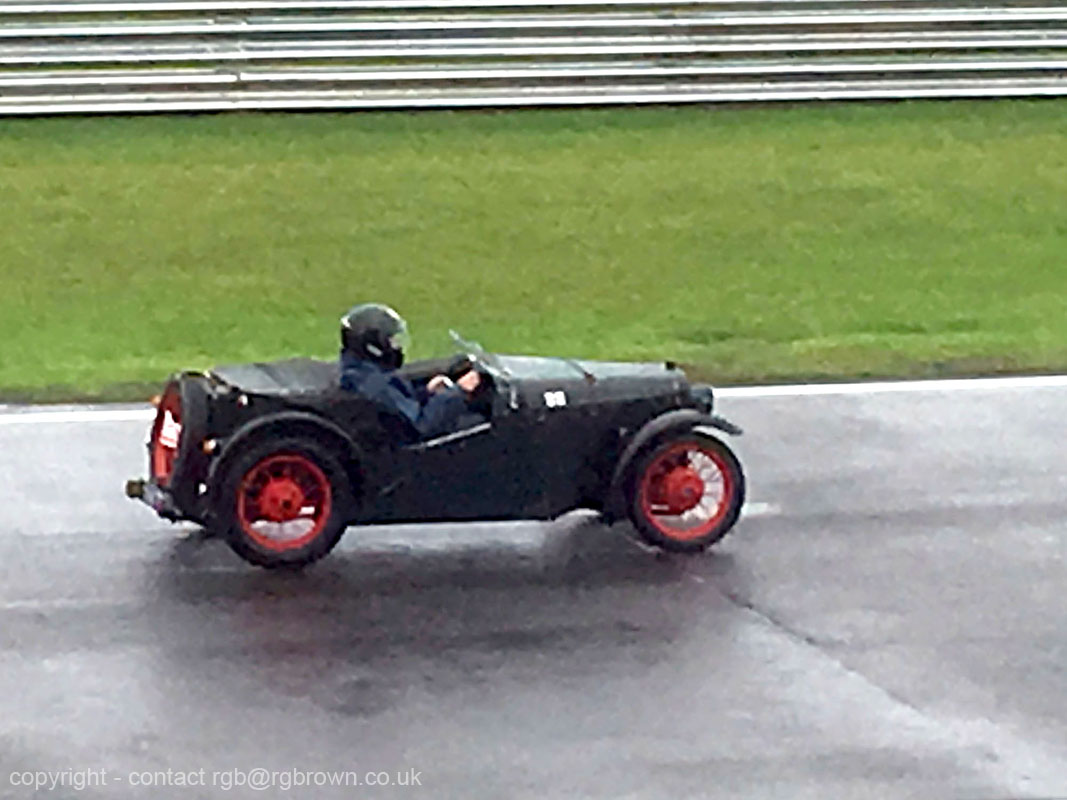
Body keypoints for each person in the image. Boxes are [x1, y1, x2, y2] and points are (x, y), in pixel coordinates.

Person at [338, 303, 482, 440]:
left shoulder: (359, 373)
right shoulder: (374, 384)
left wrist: (426, 392)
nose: (397, 347)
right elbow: (421, 426)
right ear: (373, 346)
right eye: (392, 342)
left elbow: (398, 407)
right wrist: (459, 391)